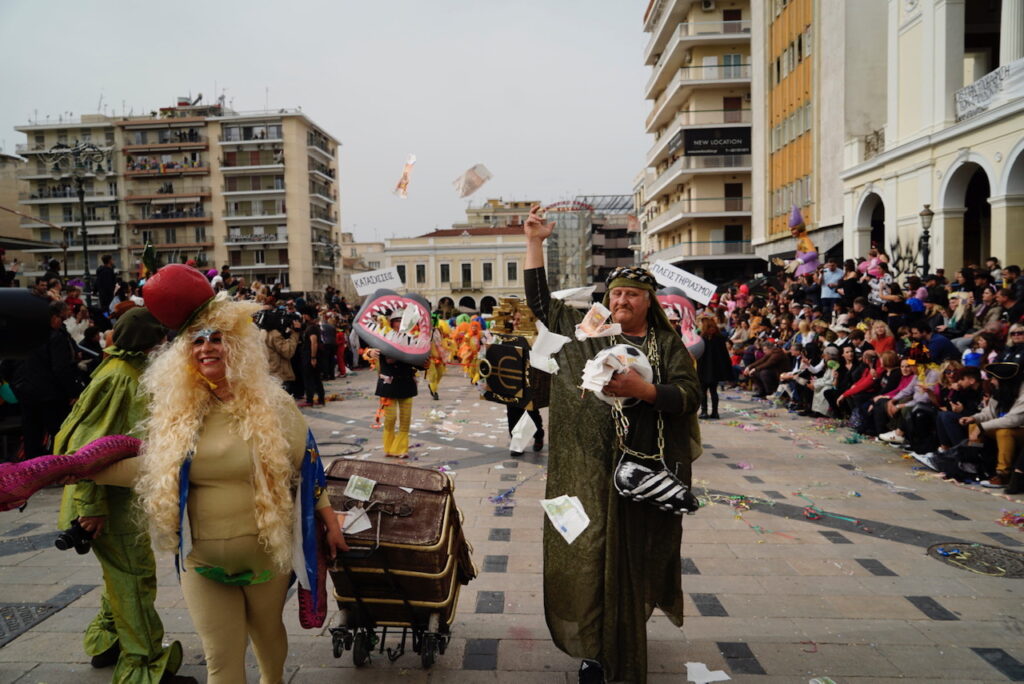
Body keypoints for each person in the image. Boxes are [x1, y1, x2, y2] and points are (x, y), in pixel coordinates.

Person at [90, 265, 347, 684]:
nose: (207, 348)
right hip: (201, 561)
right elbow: (151, 469)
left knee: (267, 640)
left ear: (238, 348)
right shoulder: (176, 417)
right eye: (197, 341)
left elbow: (309, 465)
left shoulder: (274, 407)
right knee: (220, 661)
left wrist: (331, 521)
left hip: (267, 555)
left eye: (217, 339)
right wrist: (76, 471)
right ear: (184, 355)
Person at [523, 205, 700, 684]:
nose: (623, 300)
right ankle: (596, 650)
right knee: (585, 554)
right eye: (617, 292)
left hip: (641, 477)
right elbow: (543, 306)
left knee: (632, 560)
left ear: (649, 302)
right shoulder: (590, 332)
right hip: (584, 474)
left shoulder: (667, 347)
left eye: (633, 294)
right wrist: (536, 242)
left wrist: (644, 391)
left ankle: (619, 638)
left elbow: (689, 396)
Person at [53, 308, 194, 683]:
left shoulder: (121, 371)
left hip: (112, 498)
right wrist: (91, 508)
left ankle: (109, 642)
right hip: (102, 502)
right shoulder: (120, 379)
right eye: (160, 341)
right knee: (135, 576)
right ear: (147, 345)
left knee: (120, 574)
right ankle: (145, 666)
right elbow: (85, 450)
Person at [12, 300, 82, 459]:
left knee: (31, 433)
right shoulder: (55, 337)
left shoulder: (26, 335)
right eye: (61, 318)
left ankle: (33, 468)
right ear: (52, 317)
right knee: (58, 431)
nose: (61, 322)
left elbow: (10, 363)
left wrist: (18, 384)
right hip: (50, 394)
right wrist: (73, 392)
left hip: (26, 391)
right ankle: (58, 466)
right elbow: (60, 368)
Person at [367, 311, 419, 458]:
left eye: (403, 320)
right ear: (391, 322)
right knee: (390, 419)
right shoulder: (383, 337)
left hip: (406, 383)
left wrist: (425, 364)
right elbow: (369, 348)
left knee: (405, 419)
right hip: (388, 385)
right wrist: (370, 352)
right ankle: (389, 448)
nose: (400, 323)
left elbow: (419, 361)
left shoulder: (412, 339)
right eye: (397, 320)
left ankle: (402, 449)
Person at [697, 317, 731, 419]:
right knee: (713, 391)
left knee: (703, 391)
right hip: (716, 369)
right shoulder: (719, 338)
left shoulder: (702, 338)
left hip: (703, 368)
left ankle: (704, 412)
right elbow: (725, 355)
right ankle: (715, 412)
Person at [299, 305, 324, 406]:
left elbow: (314, 343)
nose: (303, 316)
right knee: (316, 378)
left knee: (310, 378)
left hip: (310, 355)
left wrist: (313, 358)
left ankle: (310, 400)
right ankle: (320, 399)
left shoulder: (312, 328)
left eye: (304, 314)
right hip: (310, 355)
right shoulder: (312, 326)